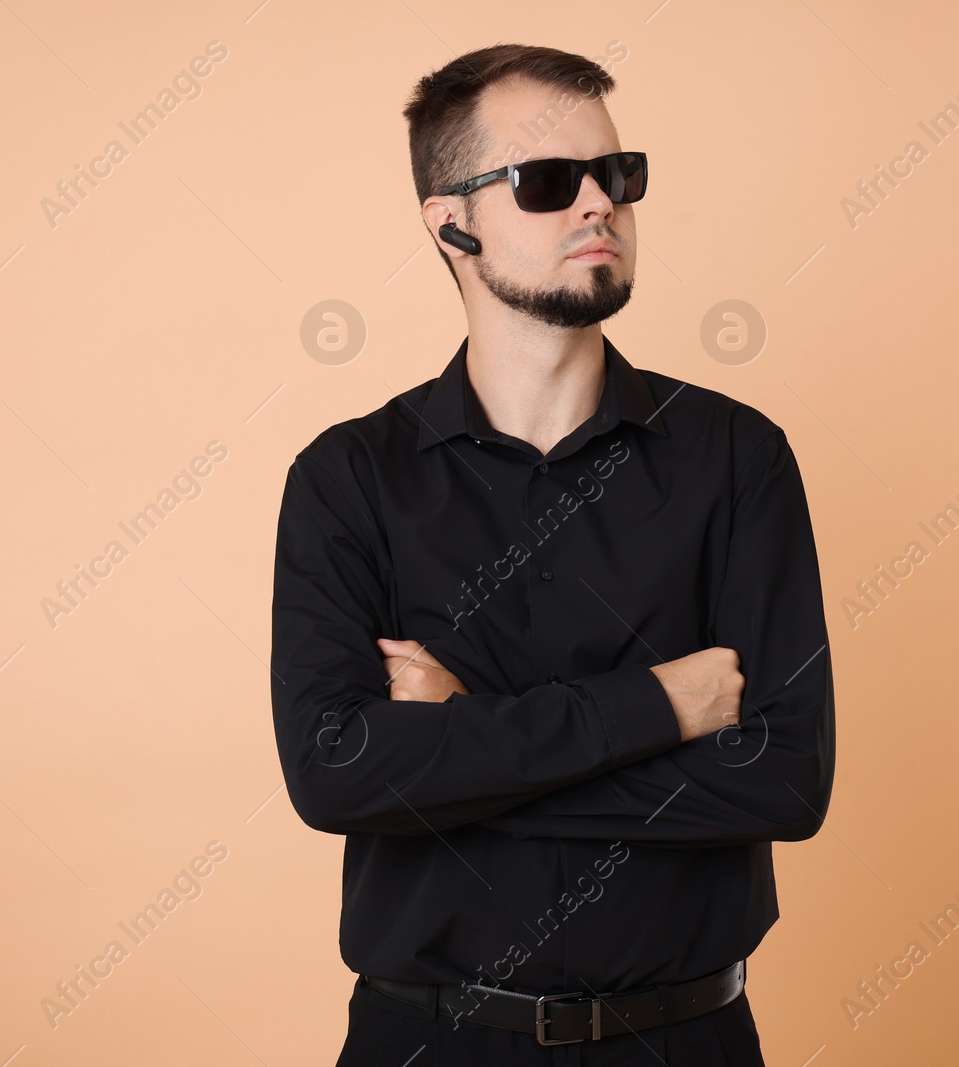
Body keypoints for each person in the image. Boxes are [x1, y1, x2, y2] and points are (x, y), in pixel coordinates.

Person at [271, 42, 835, 1065]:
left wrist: (461, 741)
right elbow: (336, 773)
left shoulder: (736, 458)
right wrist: (662, 707)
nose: (598, 206)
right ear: (451, 224)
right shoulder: (347, 477)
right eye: (546, 182)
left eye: (618, 176)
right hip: (428, 1043)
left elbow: (783, 781)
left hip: (684, 1039)